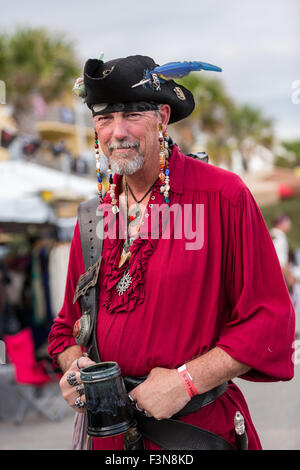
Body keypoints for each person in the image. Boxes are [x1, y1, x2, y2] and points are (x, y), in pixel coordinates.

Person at [48, 55, 295, 450]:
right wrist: (75, 365)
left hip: (194, 432)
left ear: (162, 116)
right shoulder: (93, 215)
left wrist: (186, 381)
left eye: (130, 114)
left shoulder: (223, 197)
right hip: (109, 438)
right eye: (104, 118)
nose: (117, 132)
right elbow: (67, 326)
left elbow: (269, 321)